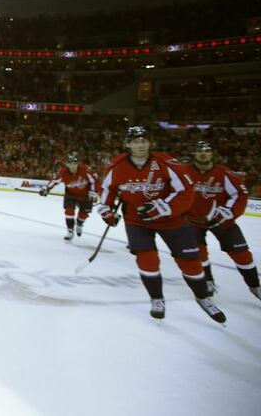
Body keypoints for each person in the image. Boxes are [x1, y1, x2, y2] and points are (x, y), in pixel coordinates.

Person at [97, 126, 226, 323]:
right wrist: (106, 210)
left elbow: (186, 191)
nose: (140, 144)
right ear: (128, 144)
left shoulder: (166, 162)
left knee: (190, 261)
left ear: (150, 143)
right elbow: (108, 190)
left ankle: (203, 297)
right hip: (137, 221)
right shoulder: (117, 166)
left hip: (172, 220)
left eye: (144, 140)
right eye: (135, 141)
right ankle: (156, 299)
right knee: (147, 260)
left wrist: (164, 207)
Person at [184, 140, 260, 301]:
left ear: (212, 154)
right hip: (193, 221)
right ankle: (208, 281)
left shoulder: (225, 173)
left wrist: (228, 213)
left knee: (243, 255)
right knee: (198, 254)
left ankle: (255, 286)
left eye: (206, 151)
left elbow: (240, 194)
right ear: (194, 154)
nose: (203, 154)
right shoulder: (184, 172)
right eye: (199, 151)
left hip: (222, 221)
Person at [39, 152, 98, 241]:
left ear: (78, 163)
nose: (72, 166)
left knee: (83, 215)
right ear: (67, 164)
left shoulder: (86, 170)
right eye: (70, 164)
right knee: (69, 211)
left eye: (74, 163)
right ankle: (70, 231)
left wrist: (93, 192)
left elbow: (95, 181)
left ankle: (79, 224)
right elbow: (54, 181)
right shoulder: (63, 172)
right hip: (71, 195)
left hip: (86, 196)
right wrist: (46, 189)